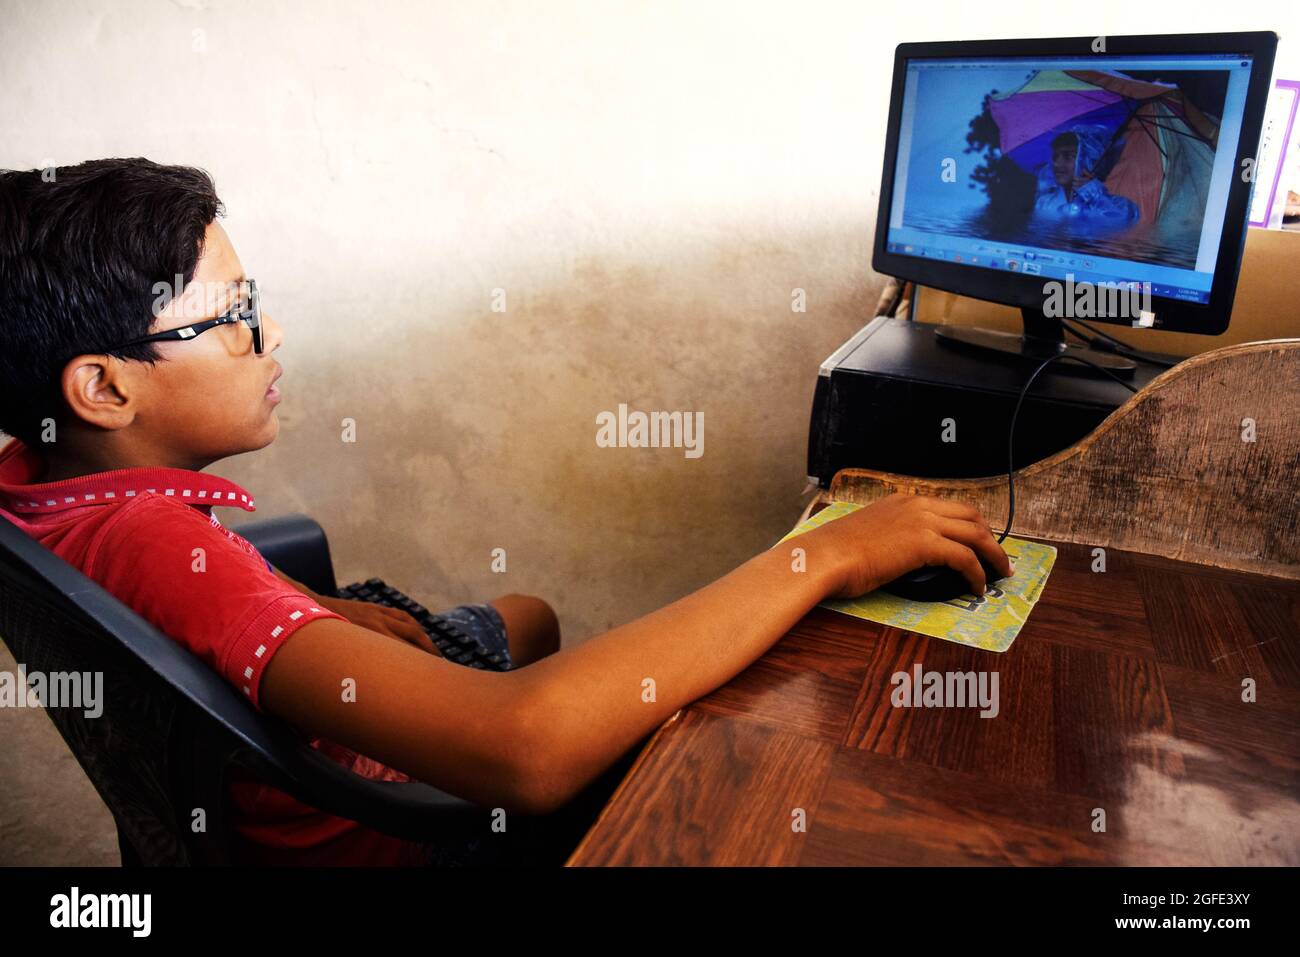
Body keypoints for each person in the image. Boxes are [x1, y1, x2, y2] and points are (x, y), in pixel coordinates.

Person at [0, 158, 1011, 865]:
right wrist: (821, 559)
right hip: (397, 832)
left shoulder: (32, 481)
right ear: (102, 390)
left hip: (264, 764)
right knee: (719, 785)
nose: (270, 335)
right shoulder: (161, 551)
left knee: (528, 615)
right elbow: (521, 753)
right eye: (231, 318)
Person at [1034, 128, 1138, 228]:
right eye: (1055, 157)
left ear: (1088, 160)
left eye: (1069, 156)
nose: (1057, 164)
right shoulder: (1044, 203)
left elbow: (1121, 223)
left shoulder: (1122, 207)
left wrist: (1093, 194)